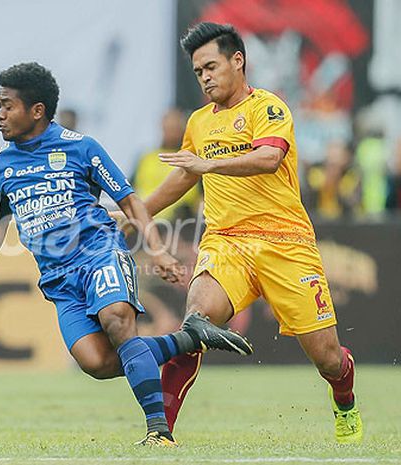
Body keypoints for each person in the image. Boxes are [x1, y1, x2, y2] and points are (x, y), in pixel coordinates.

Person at [0, 62, 252, 447]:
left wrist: (159, 251)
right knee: (97, 363)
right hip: (58, 280)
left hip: (100, 253)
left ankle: (159, 432)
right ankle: (188, 337)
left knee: (117, 320)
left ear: (37, 110)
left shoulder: (82, 148)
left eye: (7, 105)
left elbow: (129, 202)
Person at [142, 23, 363, 444]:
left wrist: (210, 165)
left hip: (286, 242)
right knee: (195, 324)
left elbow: (268, 158)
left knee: (329, 359)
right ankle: (160, 434)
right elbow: (184, 177)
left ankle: (344, 397)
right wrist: (135, 212)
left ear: (237, 60)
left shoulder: (269, 107)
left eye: (210, 66)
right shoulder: (199, 122)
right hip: (227, 241)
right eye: (197, 72)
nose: (204, 77)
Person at [131, 108, 201, 221]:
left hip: (180, 223)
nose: (171, 132)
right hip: (145, 219)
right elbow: (131, 188)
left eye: (174, 128)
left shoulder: (192, 158)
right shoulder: (146, 157)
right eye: (168, 128)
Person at [304, 141, 361, 219]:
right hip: (318, 219)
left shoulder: (350, 175)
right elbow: (311, 192)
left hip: (343, 221)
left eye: (337, 157)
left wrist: (338, 185)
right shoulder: (316, 172)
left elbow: (352, 200)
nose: (333, 166)